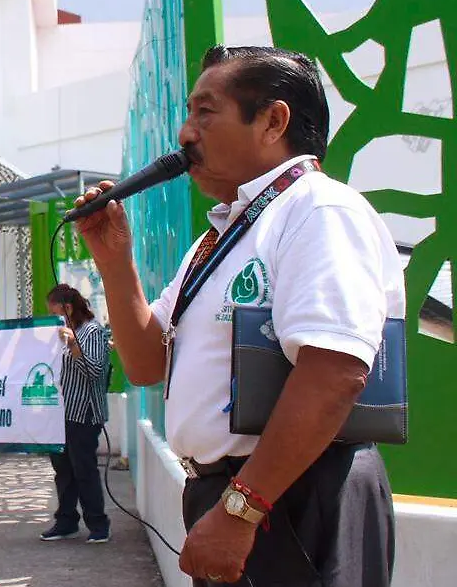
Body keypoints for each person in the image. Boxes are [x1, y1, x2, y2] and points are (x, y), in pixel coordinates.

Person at [73, 45, 402, 586]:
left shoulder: (318, 209)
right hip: (244, 495)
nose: (185, 132)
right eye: (188, 112)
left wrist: (242, 508)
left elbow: (334, 372)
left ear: (273, 121)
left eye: (206, 111)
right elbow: (147, 363)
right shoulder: (224, 236)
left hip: (293, 496)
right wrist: (115, 263)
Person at [41, 285, 112, 543]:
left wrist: (73, 345)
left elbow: (94, 372)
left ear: (68, 308)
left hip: (83, 413)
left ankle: (98, 524)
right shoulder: (59, 334)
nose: (53, 317)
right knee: (63, 471)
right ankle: (66, 520)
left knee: (84, 469)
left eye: (55, 311)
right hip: (60, 414)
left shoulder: (92, 332)